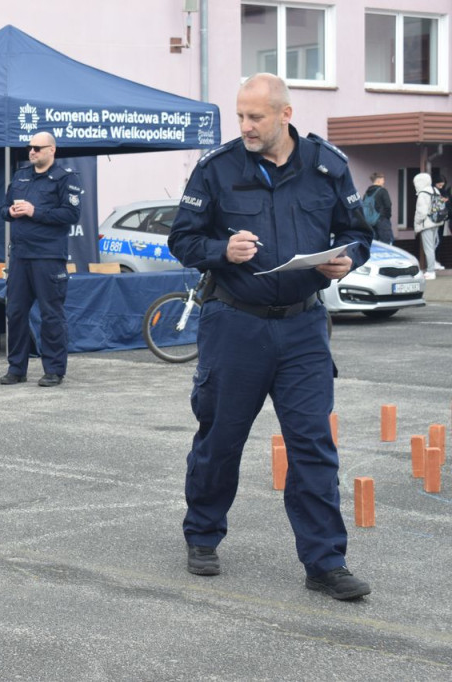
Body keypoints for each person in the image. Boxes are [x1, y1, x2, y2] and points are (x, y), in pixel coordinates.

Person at [168, 73, 373, 600]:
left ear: (285, 114)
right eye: (240, 115)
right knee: (220, 437)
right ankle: (203, 535)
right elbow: (182, 238)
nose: (245, 126)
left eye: (255, 116)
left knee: (313, 445)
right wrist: (220, 251)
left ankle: (325, 562)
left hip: (303, 327)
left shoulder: (328, 167)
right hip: (235, 324)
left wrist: (346, 259)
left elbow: (358, 234)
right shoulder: (217, 168)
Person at [0, 131, 82, 387]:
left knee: (51, 314)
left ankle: (54, 369)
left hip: (47, 256)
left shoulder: (65, 178)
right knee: (15, 313)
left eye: (37, 147)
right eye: (29, 147)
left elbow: (71, 214)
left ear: (51, 150)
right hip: (21, 256)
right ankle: (16, 368)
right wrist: (10, 212)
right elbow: (3, 209)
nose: (32, 151)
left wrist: (36, 211)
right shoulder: (20, 175)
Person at [414, 172, 443, 279]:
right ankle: (433, 265)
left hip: (426, 224)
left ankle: (431, 271)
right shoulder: (435, 190)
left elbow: (421, 212)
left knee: (428, 248)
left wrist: (417, 224)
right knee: (432, 246)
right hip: (436, 222)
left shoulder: (423, 193)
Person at [362, 172, 393, 245]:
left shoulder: (367, 192)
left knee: (374, 243)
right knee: (386, 244)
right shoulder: (382, 191)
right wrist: (387, 217)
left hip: (369, 222)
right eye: (383, 180)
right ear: (378, 181)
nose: (384, 182)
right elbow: (388, 205)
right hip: (381, 220)